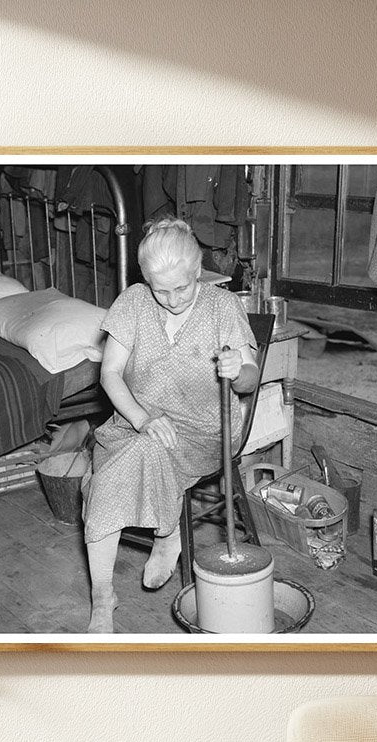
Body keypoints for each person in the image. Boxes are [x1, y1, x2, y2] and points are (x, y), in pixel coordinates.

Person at [83, 217, 258, 633]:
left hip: (203, 431)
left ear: (198, 271)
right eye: (161, 290)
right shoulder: (134, 302)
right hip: (134, 422)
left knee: (137, 458)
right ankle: (103, 596)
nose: (174, 299)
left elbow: (250, 380)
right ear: (145, 280)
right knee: (115, 472)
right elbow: (109, 375)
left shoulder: (222, 307)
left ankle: (166, 537)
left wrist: (239, 370)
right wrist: (142, 419)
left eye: (183, 287)